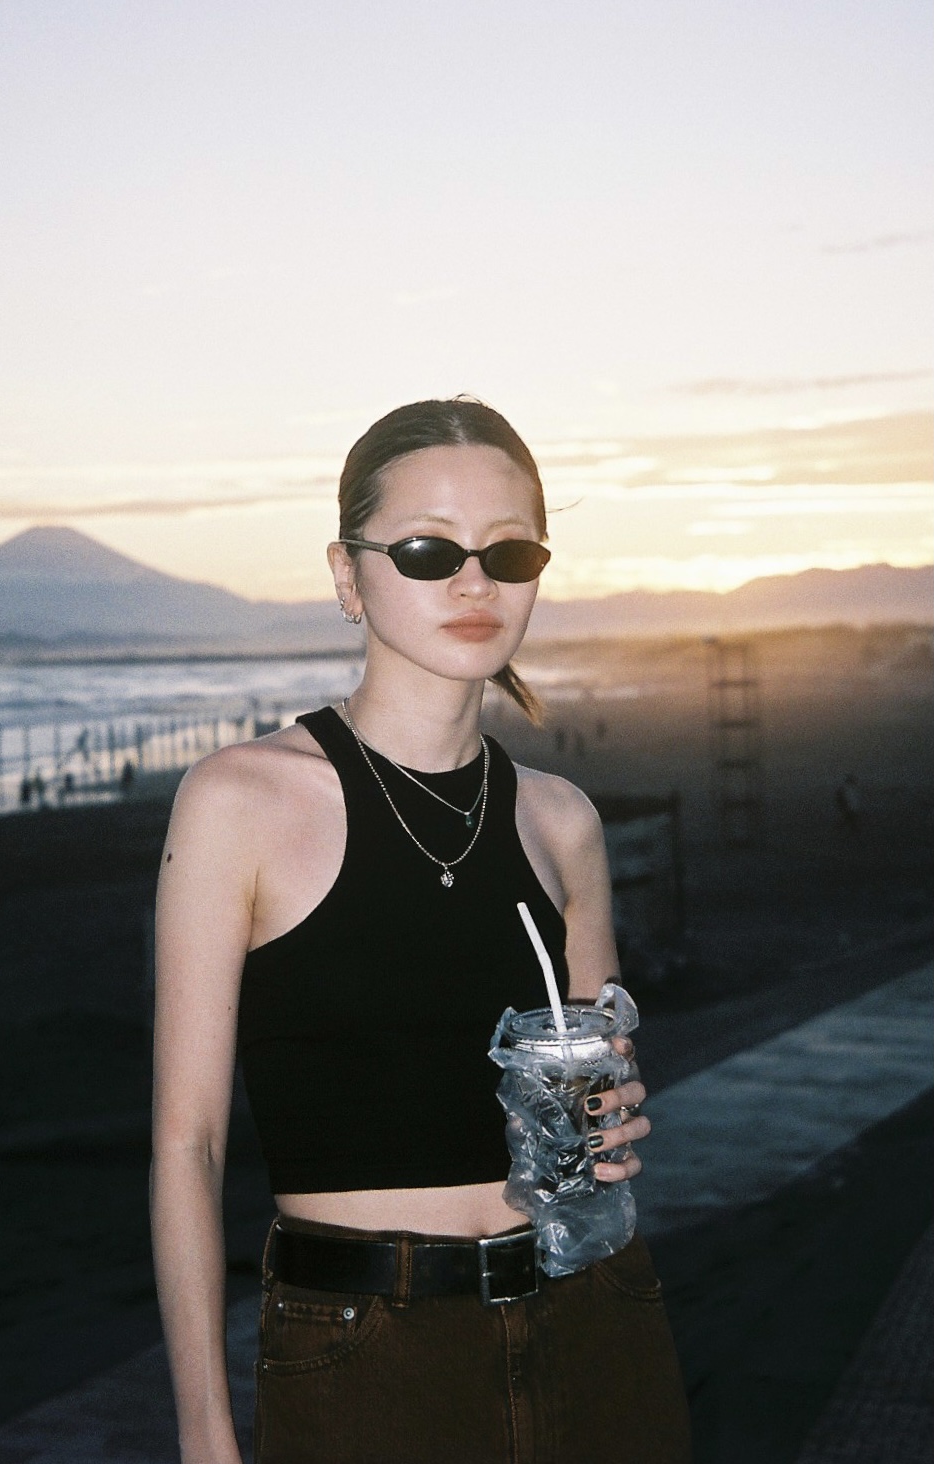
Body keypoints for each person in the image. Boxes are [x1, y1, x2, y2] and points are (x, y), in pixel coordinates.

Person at [151, 399, 692, 1464]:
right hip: (369, 1356)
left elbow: (591, 1090)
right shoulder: (240, 802)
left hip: (596, 1322)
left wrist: (617, 1118)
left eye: (510, 550)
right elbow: (187, 1143)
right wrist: (206, 1435)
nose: (473, 581)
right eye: (426, 549)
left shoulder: (561, 820)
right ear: (349, 576)